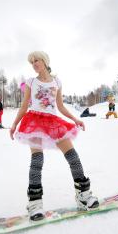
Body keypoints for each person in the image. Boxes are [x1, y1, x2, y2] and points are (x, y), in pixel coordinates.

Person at [10, 51, 99, 221]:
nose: (35, 64)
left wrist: (75, 119)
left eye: (37, 60)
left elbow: (60, 106)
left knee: (73, 157)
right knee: (37, 160)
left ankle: (84, 195)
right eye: (32, 62)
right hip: (34, 121)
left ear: (45, 61)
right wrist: (14, 124)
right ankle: (35, 205)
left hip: (53, 122)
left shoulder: (57, 81)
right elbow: (23, 106)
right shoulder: (31, 82)